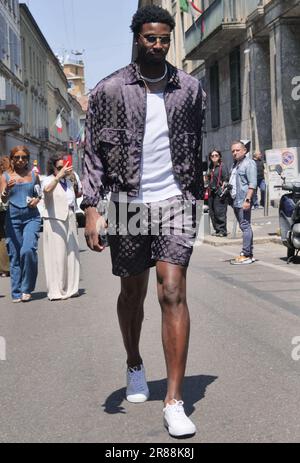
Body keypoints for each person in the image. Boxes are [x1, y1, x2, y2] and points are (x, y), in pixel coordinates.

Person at [81, 5, 206, 438]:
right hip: (127, 201)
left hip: (175, 200)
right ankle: (134, 361)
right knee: (131, 293)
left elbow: (196, 143)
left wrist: (196, 195)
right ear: (137, 37)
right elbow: (92, 151)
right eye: (151, 38)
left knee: (172, 291)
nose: (157, 45)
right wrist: (92, 207)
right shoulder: (110, 89)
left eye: (164, 39)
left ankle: (174, 400)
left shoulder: (189, 88)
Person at [0, 146, 41, 302]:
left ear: (27, 159)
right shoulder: (5, 176)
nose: (20, 160)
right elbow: (3, 199)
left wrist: (36, 200)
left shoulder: (33, 175)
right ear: (12, 159)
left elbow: (39, 194)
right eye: (17, 157)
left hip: (32, 217)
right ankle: (16, 291)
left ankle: (27, 288)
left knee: (28, 250)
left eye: (23, 157)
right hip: (13, 218)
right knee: (15, 255)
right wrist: (7, 191)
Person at [42, 154, 80, 301]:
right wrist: (58, 177)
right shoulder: (48, 179)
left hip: (69, 217)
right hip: (54, 220)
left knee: (72, 254)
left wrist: (73, 180)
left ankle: (72, 288)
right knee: (56, 256)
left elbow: (75, 196)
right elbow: (46, 191)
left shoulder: (69, 181)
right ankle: (56, 290)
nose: (63, 170)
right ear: (53, 168)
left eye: (65, 167)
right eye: (60, 168)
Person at [229, 141, 257, 265]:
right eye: (233, 151)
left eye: (237, 150)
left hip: (243, 200)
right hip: (235, 200)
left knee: (245, 226)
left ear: (244, 150)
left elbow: (252, 184)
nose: (235, 153)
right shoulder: (235, 164)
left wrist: (248, 200)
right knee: (243, 226)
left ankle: (246, 254)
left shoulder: (249, 163)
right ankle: (248, 253)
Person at [207, 149, 229, 237]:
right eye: (212, 156)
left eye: (216, 155)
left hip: (219, 192)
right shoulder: (211, 166)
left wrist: (223, 189)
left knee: (220, 211)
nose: (214, 157)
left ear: (219, 156)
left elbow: (226, 179)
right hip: (211, 192)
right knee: (212, 212)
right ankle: (217, 230)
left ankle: (222, 230)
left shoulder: (222, 166)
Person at [0, 156, 11, 277]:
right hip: (4, 209)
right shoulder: (6, 177)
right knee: (4, 237)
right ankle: (5, 268)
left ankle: (4, 267)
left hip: (3, 208)